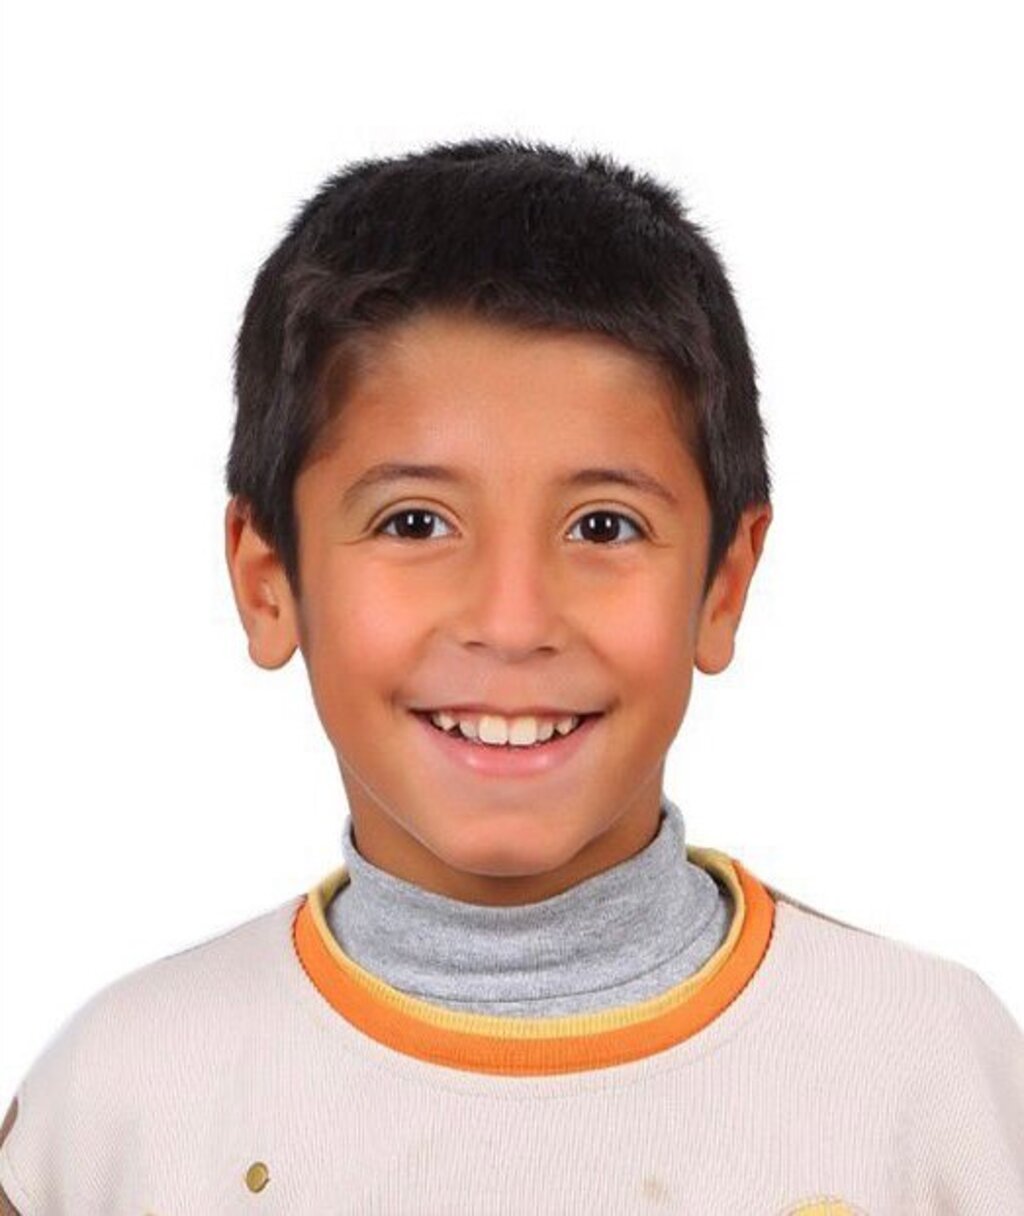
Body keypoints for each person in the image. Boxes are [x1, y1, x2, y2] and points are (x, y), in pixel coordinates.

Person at [1, 136, 1021, 1215]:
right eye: (414, 522)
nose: (513, 621)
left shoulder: (931, 1077)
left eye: (602, 526)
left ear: (722, 586)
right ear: (268, 582)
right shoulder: (113, 1110)